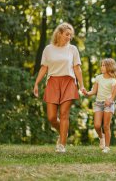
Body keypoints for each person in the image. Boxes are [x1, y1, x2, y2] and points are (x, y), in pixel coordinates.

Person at [33, 22, 86, 153]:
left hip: (68, 81)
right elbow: (44, 67)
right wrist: (36, 84)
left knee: (64, 114)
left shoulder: (72, 49)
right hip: (52, 82)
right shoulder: (48, 49)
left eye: (71, 35)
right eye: (67, 34)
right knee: (51, 117)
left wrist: (81, 84)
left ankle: (62, 144)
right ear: (59, 33)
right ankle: (62, 132)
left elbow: (77, 68)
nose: (70, 37)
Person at [84, 58, 116, 153]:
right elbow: (94, 91)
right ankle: (101, 137)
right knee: (97, 125)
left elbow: (113, 93)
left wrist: (110, 100)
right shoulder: (98, 78)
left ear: (109, 67)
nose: (101, 67)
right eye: (101, 65)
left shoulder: (113, 80)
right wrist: (87, 93)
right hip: (98, 103)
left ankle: (107, 147)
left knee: (106, 126)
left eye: (104, 65)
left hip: (108, 104)